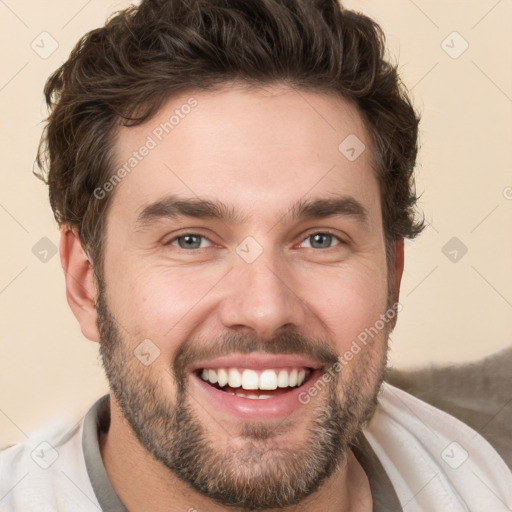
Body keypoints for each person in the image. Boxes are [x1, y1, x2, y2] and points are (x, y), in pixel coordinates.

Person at [1, 0, 511, 510]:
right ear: (86, 283)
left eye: (320, 239)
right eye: (191, 240)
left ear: (392, 279)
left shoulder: (483, 477)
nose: (265, 310)